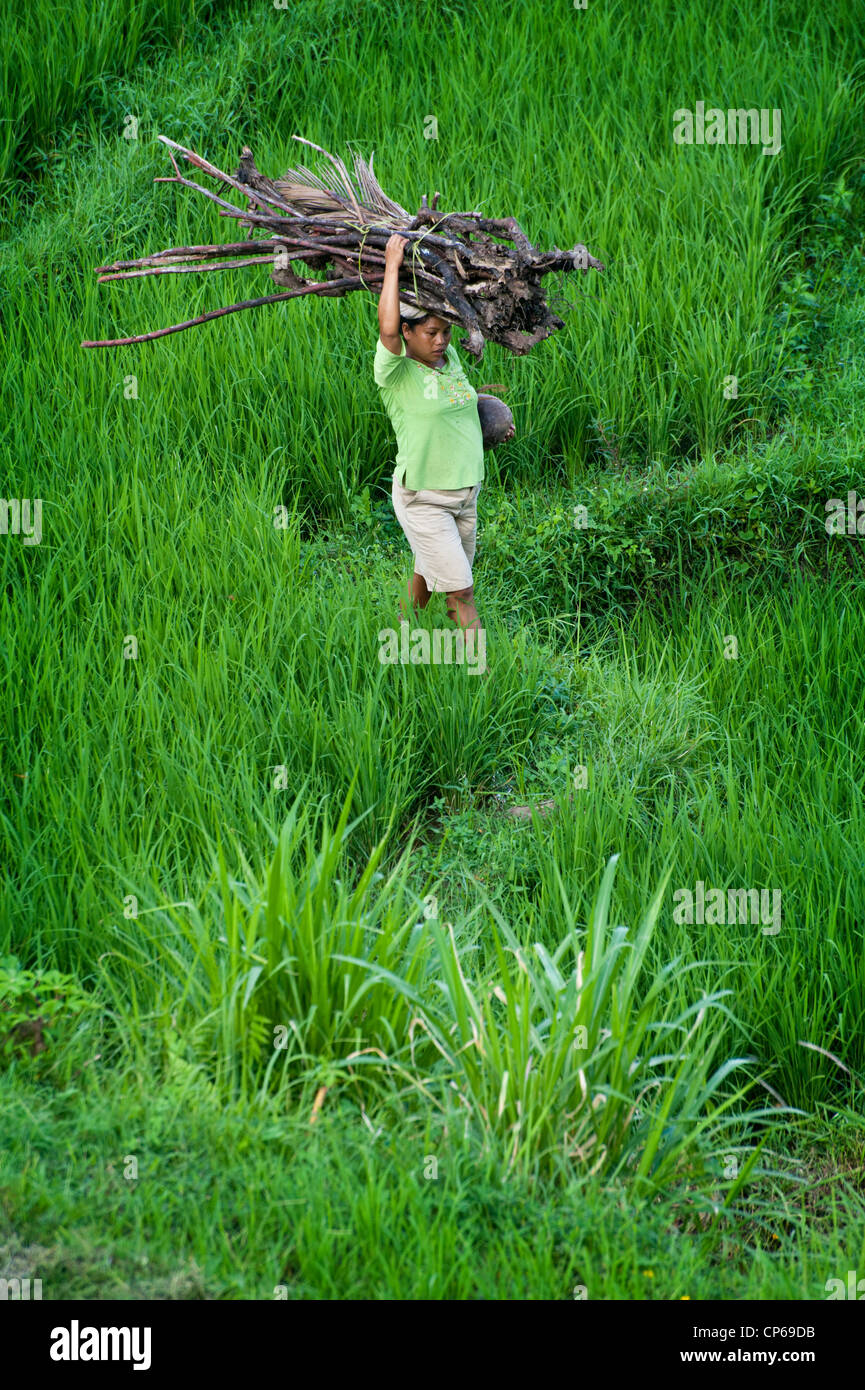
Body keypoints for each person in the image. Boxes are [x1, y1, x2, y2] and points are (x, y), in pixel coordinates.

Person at [374, 233, 513, 648]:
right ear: (408, 332)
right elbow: (387, 327)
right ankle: (482, 676)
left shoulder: (447, 359)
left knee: (429, 569)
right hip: (425, 498)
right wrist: (393, 263)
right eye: (431, 333)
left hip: (466, 495)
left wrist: (490, 422)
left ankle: (403, 632)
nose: (441, 341)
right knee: (461, 592)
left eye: (446, 333)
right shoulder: (396, 373)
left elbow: (462, 406)